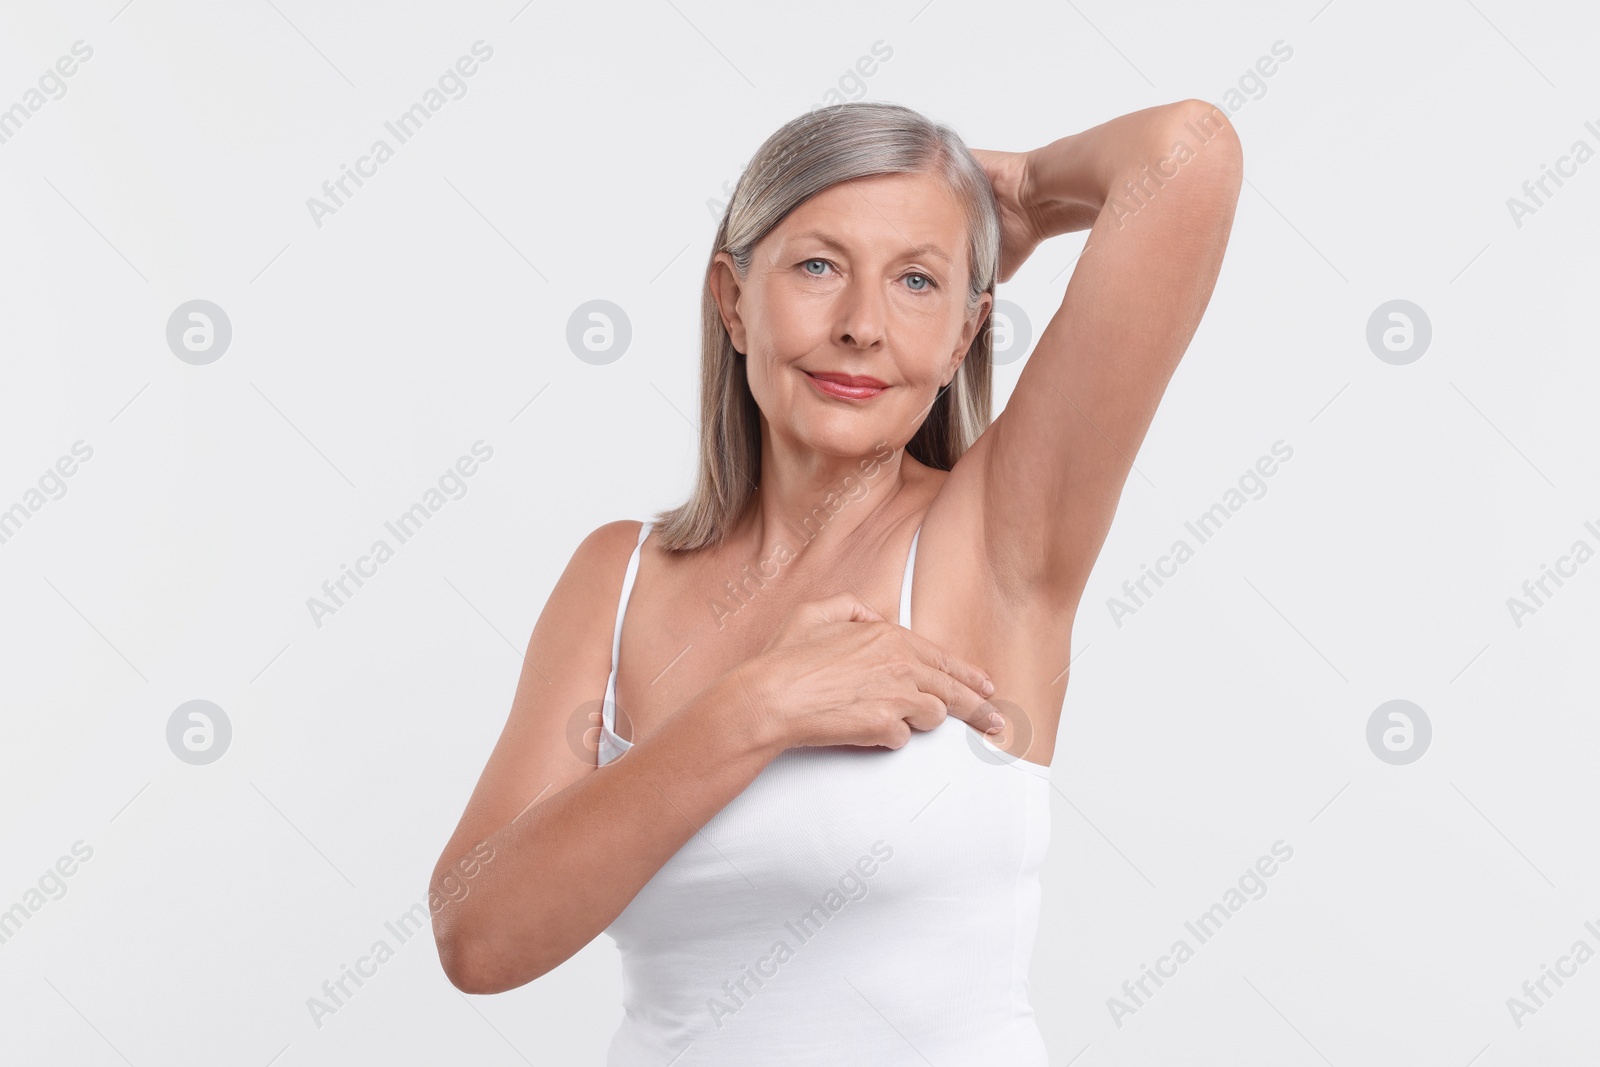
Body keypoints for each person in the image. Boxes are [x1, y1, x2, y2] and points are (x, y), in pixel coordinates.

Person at [430, 99, 1242, 1064]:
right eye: (819, 266)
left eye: (916, 281)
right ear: (732, 300)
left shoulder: (991, 541)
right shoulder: (618, 577)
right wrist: (759, 704)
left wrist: (1018, 192)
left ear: (965, 334)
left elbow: (1190, 152)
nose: (862, 326)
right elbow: (478, 937)